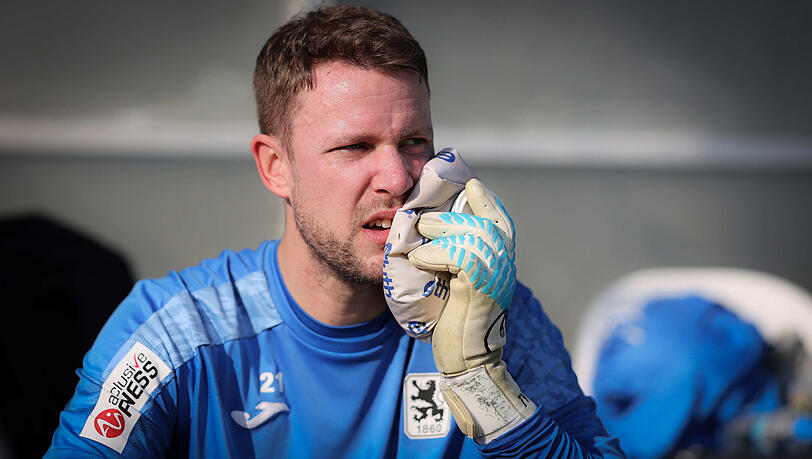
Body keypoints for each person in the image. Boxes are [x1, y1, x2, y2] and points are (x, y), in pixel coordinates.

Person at [46, 6, 624, 458]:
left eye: (414, 142)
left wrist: (486, 388)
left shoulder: (498, 315)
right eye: (355, 147)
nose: (398, 178)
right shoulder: (175, 334)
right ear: (276, 167)